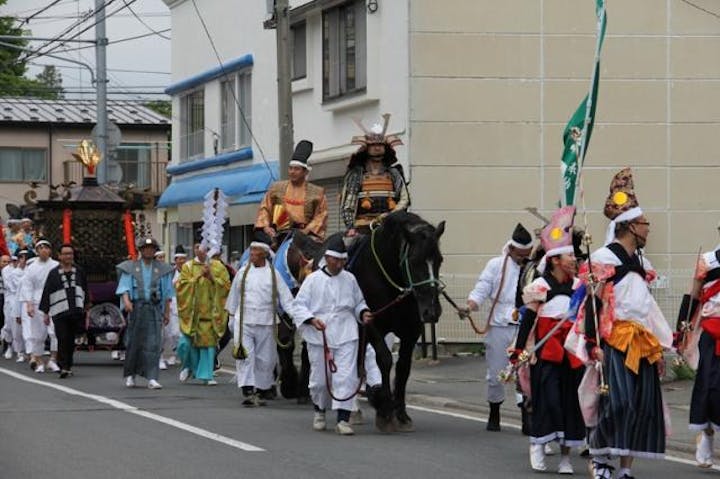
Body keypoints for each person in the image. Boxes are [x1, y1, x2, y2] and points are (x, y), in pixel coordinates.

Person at [581, 168, 672, 479]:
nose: (648, 227)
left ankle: (625, 469)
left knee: (643, 407)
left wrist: (661, 343)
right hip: (615, 339)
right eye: (644, 222)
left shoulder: (642, 264)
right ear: (631, 226)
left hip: (642, 341)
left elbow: (646, 307)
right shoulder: (605, 258)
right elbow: (592, 303)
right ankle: (600, 455)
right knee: (617, 403)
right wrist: (594, 344)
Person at [511, 207, 584, 474]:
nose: (574, 260)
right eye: (569, 256)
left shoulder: (579, 288)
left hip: (571, 353)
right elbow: (528, 320)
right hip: (546, 352)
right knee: (549, 400)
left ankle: (566, 456)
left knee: (570, 404)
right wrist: (519, 349)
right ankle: (538, 444)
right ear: (554, 260)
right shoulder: (541, 287)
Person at [292, 235, 373, 436]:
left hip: (346, 333)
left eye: (342, 261)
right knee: (320, 380)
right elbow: (299, 306)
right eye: (336, 260)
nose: (339, 264)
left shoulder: (350, 279)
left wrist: (363, 313)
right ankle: (319, 410)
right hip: (320, 335)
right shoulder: (312, 280)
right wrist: (311, 320)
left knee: (345, 377)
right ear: (327, 258)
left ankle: (343, 419)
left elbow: (358, 302)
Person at [461, 223, 534, 431]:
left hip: (524, 324)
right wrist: (471, 305)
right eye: (520, 254)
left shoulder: (531, 267)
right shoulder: (496, 265)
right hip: (499, 325)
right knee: (496, 373)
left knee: (524, 371)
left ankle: (525, 418)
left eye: (526, 254)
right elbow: (482, 287)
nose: (523, 258)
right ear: (511, 249)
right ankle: (494, 411)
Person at [225, 234, 296, 406]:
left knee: (266, 358)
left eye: (255, 251)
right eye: (251, 250)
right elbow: (234, 296)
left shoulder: (274, 274)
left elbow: (286, 298)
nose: (252, 254)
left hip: (267, 321)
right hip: (245, 322)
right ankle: (248, 389)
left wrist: (297, 316)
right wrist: (231, 318)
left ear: (264, 253)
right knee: (246, 356)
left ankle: (261, 388)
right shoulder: (242, 273)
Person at [675, 236, 720, 468]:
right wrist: (680, 328)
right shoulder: (708, 261)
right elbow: (693, 294)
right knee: (710, 387)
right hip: (712, 333)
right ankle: (707, 434)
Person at [116, 237, 175, 389]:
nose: (148, 250)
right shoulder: (131, 267)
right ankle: (131, 375)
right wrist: (127, 301)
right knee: (133, 341)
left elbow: (167, 293)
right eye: (145, 248)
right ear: (140, 250)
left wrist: (166, 312)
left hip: (154, 308)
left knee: (154, 343)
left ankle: (152, 377)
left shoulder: (162, 269)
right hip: (137, 308)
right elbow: (124, 287)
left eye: (151, 248)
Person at [340, 114, 410, 238]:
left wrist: (391, 215)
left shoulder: (394, 173)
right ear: (367, 148)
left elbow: (404, 199)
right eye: (373, 145)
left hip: (389, 225)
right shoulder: (357, 174)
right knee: (348, 248)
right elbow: (349, 203)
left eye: (380, 145)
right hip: (362, 226)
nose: (377, 148)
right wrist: (351, 227)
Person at [175, 243, 230, 386]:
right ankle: (188, 366)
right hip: (192, 313)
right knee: (184, 345)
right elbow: (181, 286)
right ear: (194, 249)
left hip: (210, 313)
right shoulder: (188, 267)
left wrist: (211, 277)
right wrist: (199, 275)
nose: (201, 250)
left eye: (205, 247)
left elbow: (226, 287)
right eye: (198, 247)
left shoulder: (218, 266)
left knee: (208, 344)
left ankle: (207, 375)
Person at [255, 140, 328, 242]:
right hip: (278, 234)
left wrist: (306, 231)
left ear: (305, 172)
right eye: (290, 168)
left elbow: (321, 216)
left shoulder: (317, 193)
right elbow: (265, 208)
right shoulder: (276, 188)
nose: (292, 172)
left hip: (305, 236)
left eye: (297, 169)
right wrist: (267, 227)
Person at [38, 244, 89, 378]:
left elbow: (85, 288)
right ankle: (63, 366)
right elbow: (47, 292)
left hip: (75, 309)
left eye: (70, 254)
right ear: (59, 256)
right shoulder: (53, 273)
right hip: (59, 311)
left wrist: (87, 305)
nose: (68, 256)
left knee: (71, 339)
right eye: (65, 254)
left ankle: (68, 364)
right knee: (62, 337)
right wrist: (45, 312)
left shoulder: (79, 271)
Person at [19, 239, 59, 373]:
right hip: (37, 302)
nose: (44, 250)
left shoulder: (56, 266)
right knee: (38, 333)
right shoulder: (31, 268)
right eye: (41, 248)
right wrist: (29, 304)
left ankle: (53, 360)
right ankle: (39, 360)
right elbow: (27, 286)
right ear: (37, 251)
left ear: (50, 250)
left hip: (54, 301)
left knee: (54, 332)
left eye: (46, 248)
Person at [160, 245, 186, 370]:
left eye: (183, 259)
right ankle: (173, 352)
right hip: (172, 304)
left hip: (186, 304)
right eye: (179, 259)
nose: (181, 261)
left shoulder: (188, 271)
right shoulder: (170, 272)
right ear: (175, 260)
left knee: (183, 332)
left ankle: (178, 354)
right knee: (172, 332)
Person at [2, 251, 27, 361]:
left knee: (20, 326)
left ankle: (20, 351)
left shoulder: (28, 269)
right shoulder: (7, 270)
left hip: (24, 299)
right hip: (11, 299)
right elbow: (12, 287)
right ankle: (8, 345)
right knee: (8, 325)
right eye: (18, 259)